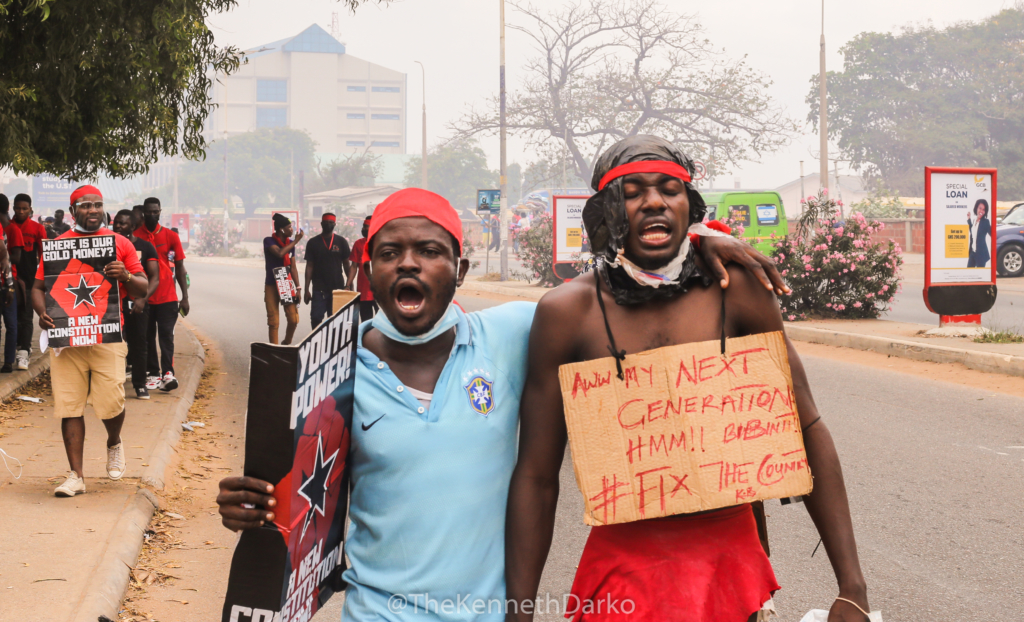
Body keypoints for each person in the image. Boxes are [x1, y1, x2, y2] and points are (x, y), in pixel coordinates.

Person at [217, 187, 791, 622]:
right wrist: (255, 506)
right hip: (377, 612)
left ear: (460, 269)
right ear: (367, 272)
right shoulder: (333, 378)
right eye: (391, 252)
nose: (409, 263)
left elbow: (622, 289)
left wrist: (697, 240)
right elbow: (299, 505)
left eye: (430, 251)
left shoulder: (516, 332)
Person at [504, 136, 870, 622]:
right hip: (623, 578)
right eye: (632, 192)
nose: (653, 201)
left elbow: (806, 428)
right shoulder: (568, 313)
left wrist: (853, 588)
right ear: (608, 212)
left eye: (669, 189)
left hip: (733, 573)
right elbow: (535, 475)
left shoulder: (737, 291)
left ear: (689, 207)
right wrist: (519, 611)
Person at [32, 185, 147, 497]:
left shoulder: (118, 243)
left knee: (111, 402)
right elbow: (38, 288)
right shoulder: (57, 246)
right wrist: (43, 313)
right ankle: (76, 475)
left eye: (98, 204)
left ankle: (113, 441)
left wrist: (125, 276)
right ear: (73, 212)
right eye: (85, 205)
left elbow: (142, 289)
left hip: (106, 336)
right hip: (67, 340)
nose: (93, 210)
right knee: (69, 406)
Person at [134, 197, 189, 392]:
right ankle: (153, 373)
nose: (152, 215)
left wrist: (185, 297)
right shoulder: (135, 237)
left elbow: (181, 267)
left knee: (166, 336)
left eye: (155, 211)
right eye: (148, 212)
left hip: (168, 297)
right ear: (143, 213)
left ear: (160, 212)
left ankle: (168, 373)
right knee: (147, 337)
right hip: (145, 297)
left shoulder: (170, 236)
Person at [112, 210, 160, 399]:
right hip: (114, 304)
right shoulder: (107, 244)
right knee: (114, 343)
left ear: (133, 227)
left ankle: (140, 385)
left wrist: (142, 298)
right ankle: (114, 384)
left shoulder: (146, 247)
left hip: (138, 304)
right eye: (116, 223)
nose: (118, 226)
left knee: (139, 344)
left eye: (123, 223)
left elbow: (154, 277)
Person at [12, 193, 47, 371]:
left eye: (24, 208)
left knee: (25, 317)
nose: (21, 211)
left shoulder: (37, 229)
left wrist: (42, 280)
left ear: (30, 210)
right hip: (10, 279)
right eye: (18, 208)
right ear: (13, 208)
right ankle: (15, 349)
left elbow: (44, 256)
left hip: (29, 279)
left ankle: (24, 351)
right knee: (12, 319)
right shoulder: (7, 227)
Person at [303, 212, 351, 329]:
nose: (328, 224)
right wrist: (306, 289)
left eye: (330, 222)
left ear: (334, 224)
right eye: (325, 222)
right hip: (319, 289)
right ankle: (317, 343)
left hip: (337, 288)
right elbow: (309, 266)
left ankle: (332, 345)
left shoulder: (341, 242)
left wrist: (349, 284)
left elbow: (346, 264)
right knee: (316, 318)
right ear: (321, 224)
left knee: (335, 319)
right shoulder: (313, 242)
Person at [264, 213, 302, 345]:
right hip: (272, 283)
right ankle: (274, 349)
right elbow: (280, 253)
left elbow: (293, 267)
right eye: (289, 227)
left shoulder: (290, 244)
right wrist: (297, 241)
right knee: (273, 321)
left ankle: (286, 342)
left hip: (285, 280)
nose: (292, 229)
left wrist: (298, 288)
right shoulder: (269, 241)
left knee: (293, 319)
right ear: (281, 229)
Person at [0, 196, 23, 372]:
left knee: (11, 323)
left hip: (7, 282)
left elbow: (9, 258)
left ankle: (8, 361)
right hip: (7, 283)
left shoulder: (11, 230)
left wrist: (9, 286)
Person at [347, 215, 378, 321]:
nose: (363, 229)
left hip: (380, 291)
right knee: (366, 321)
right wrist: (348, 284)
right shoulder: (358, 244)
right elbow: (354, 266)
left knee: (383, 323)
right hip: (364, 291)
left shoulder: (382, 243)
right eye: (363, 227)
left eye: (366, 226)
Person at [967, 198, 992, 268]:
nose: (981, 211)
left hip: (981, 253)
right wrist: (969, 220)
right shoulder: (974, 219)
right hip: (973, 252)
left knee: (980, 275)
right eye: (980, 208)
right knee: (968, 271)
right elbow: (973, 231)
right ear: (976, 208)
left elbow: (992, 234)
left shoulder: (985, 222)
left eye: (983, 209)